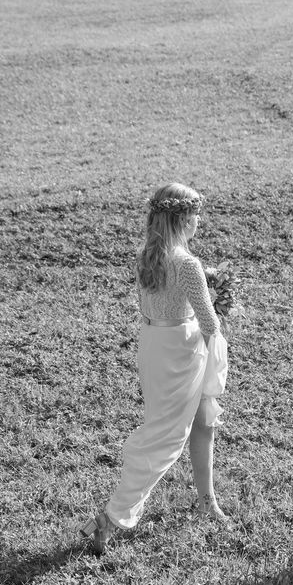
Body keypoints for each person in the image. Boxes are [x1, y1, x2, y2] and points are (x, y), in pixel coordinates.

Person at [80, 183, 227, 555]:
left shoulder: (148, 256)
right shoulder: (188, 265)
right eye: (195, 216)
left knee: (199, 421)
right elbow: (210, 324)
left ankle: (206, 501)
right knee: (166, 438)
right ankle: (110, 518)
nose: (199, 221)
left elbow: (161, 304)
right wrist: (217, 305)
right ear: (180, 219)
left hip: (153, 346)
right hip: (181, 352)